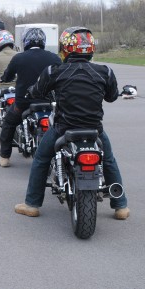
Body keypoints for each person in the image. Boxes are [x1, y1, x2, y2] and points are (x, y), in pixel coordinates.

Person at [14, 27, 130, 220]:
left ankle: (32, 204)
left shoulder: (54, 71)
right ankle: (120, 207)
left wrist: (31, 92)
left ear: (65, 48)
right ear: (90, 48)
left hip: (64, 127)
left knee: (41, 158)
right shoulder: (105, 71)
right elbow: (111, 97)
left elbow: (37, 91)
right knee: (108, 160)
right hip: (95, 129)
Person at [0, 28, 62, 167]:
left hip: (24, 103)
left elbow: (7, 76)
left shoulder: (19, 57)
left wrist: (4, 78)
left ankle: (5, 157)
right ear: (43, 41)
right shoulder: (54, 57)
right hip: (49, 102)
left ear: (26, 41)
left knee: (8, 123)